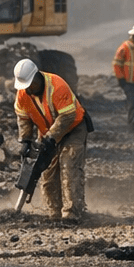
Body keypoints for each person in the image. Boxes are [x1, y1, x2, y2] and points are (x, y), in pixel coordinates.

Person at [13, 58, 90, 222]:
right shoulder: (23, 94)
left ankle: (71, 214)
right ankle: (54, 213)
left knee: (69, 166)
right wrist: (25, 140)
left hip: (72, 129)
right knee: (47, 172)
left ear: (36, 77)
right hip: (48, 132)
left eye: (30, 85)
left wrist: (50, 137)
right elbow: (23, 117)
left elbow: (68, 116)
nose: (28, 89)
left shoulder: (57, 85)